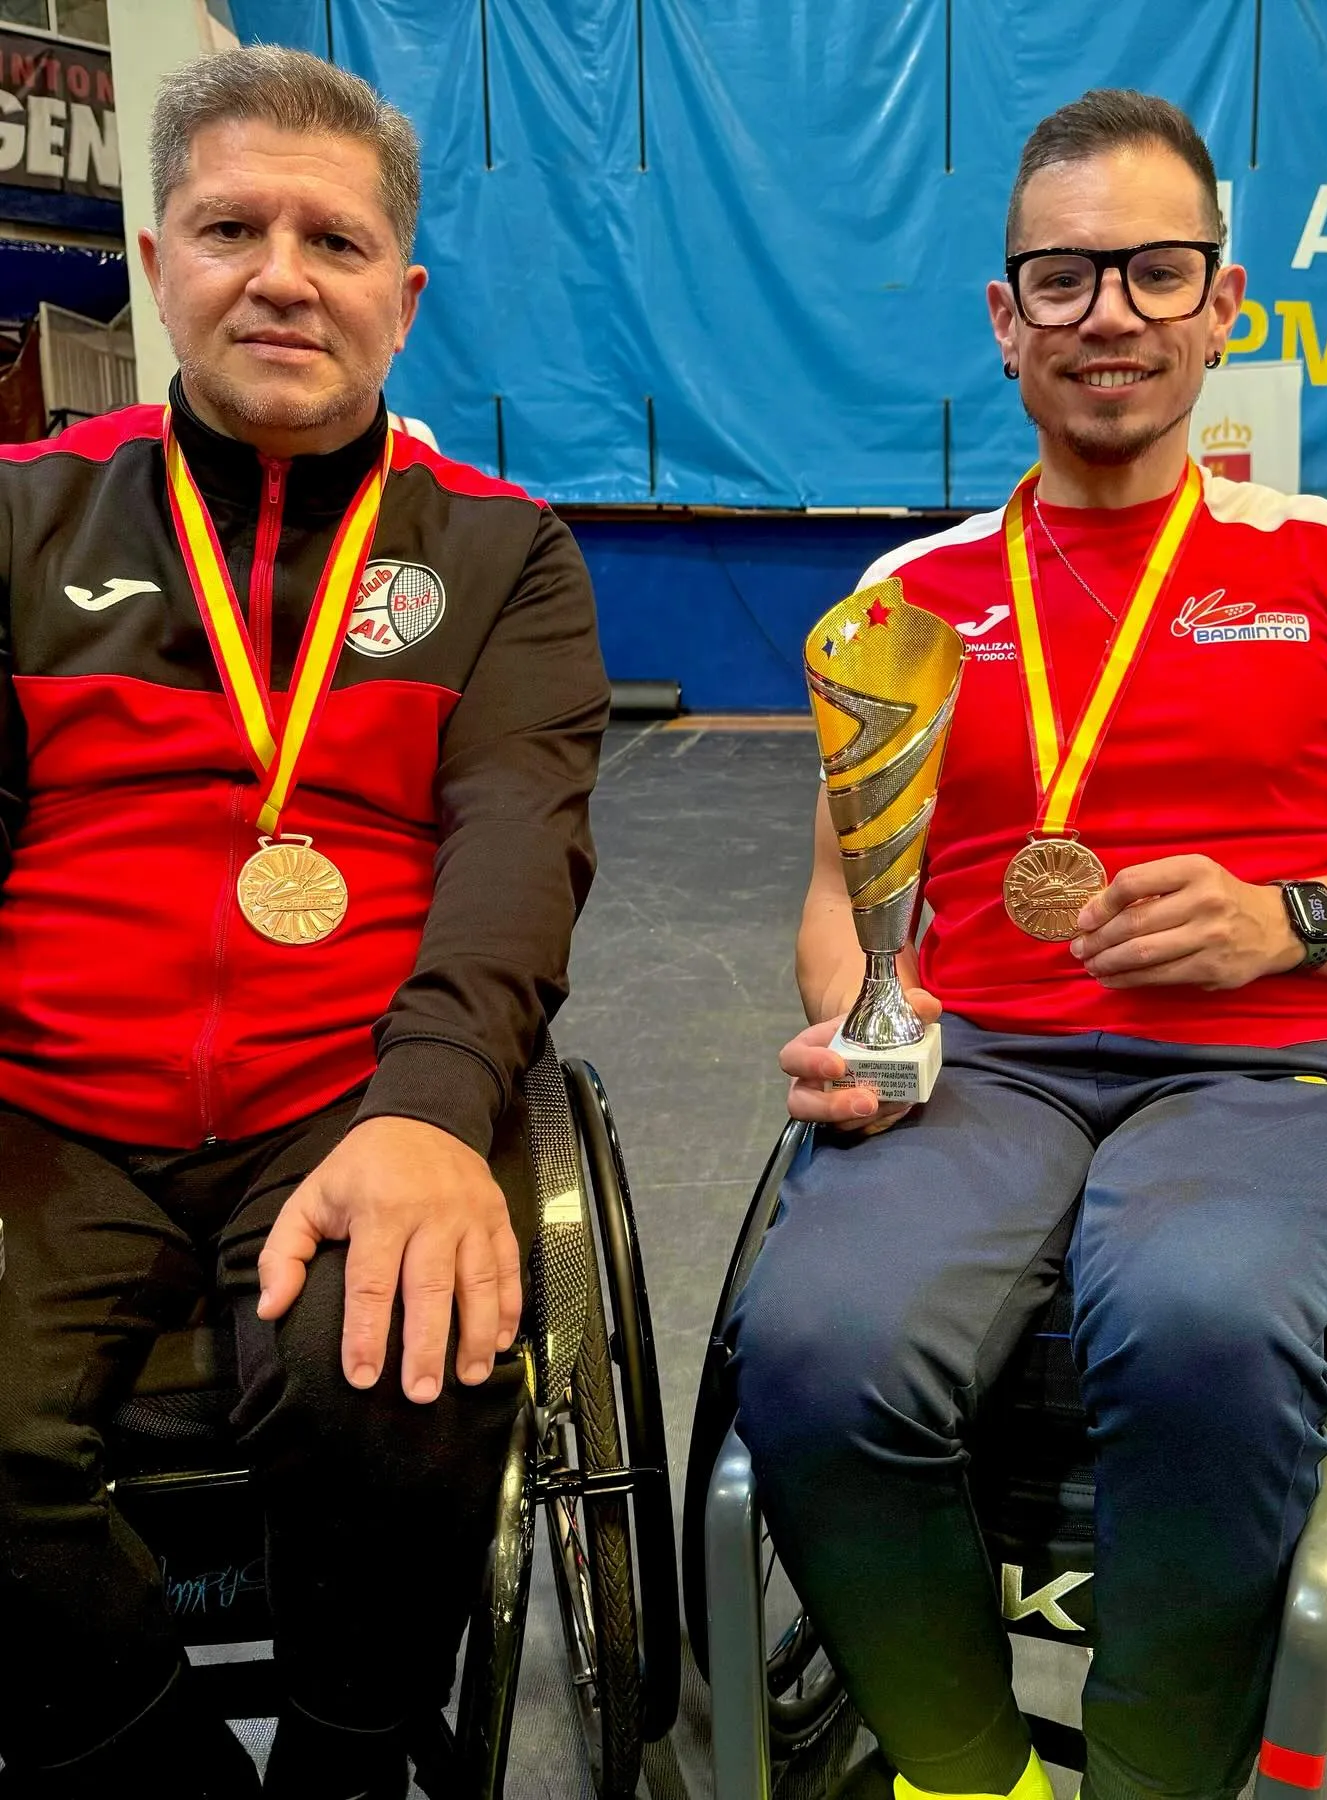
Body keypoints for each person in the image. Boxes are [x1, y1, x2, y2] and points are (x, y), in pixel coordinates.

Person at [731, 88, 1327, 1800]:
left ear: (1224, 304)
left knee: (1201, 1319)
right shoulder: (905, 600)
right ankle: (968, 1774)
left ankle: (1149, 1780)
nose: (1108, 310)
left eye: (1153, 270)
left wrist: (1294, 919)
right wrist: (866, 1022)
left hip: (1283, 1073)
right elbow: (842, 892)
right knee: (810, 1348)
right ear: (1006, 315)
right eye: (1062, 275)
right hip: (976, 1070)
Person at [0, 45, 607, 1800]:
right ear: (156, 259)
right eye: (232, 226)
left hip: (343, 1090)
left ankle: (348, 1767)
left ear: (400, 298)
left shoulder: (503, 557)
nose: (282, 272)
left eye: (333, 241)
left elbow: (516, 849)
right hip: (43, 1104)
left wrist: (429, 1111)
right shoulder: (25, 517)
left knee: (406, 1376)